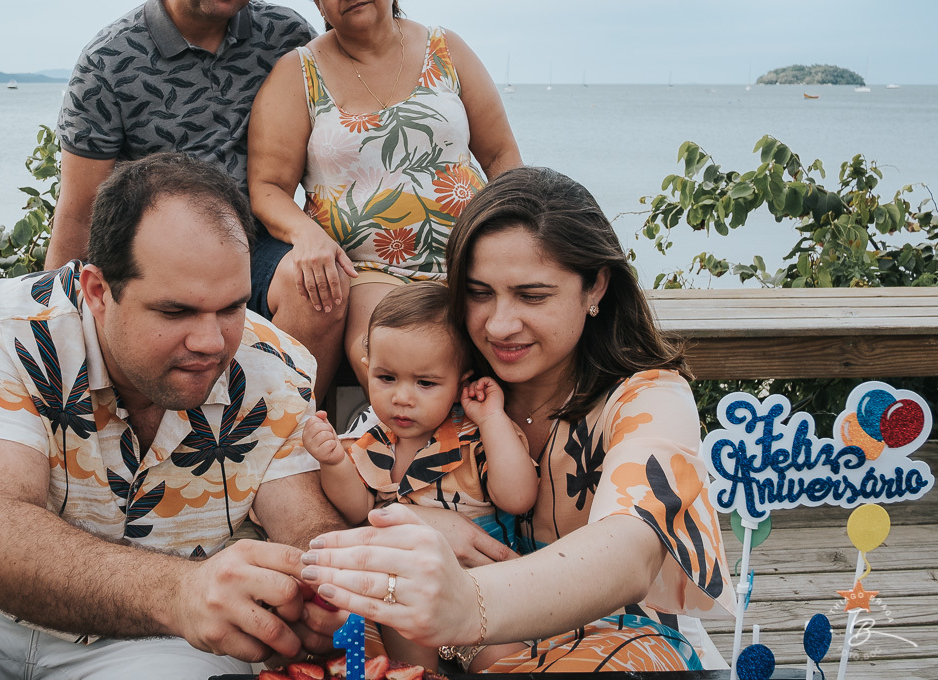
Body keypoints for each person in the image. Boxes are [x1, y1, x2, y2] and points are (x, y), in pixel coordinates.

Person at [0, 154, 347, 680]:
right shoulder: (7, 328)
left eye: (232, 307)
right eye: (176, 312)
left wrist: (321, 583)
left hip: (155, 642)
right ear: (98, 291)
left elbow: (304, 522)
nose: (212, 342)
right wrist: (183, 590)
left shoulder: (279, 369)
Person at [299, 167, 737, 673]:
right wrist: (421, 523)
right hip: (430, 629)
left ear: (595, 287)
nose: (500, 325)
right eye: (479, 293)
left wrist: (467, 600)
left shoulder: (649, 398)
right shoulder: (437, 382)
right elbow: (344, 477)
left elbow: (631, 552)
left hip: (607, 637)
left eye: (532, 296)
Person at [47, 0, 348, 400]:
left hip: (254, 245)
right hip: (156, 257)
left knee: (317, 288)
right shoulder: (109, 62)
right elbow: (79, 210)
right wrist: (55, 323)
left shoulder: (285, 38)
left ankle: (285, 444)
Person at [247, 0, 523, 393]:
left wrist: (513, 243)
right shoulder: (299, 73)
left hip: (471, 261)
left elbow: (501, 157)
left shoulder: (446, 47)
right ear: (318, 1)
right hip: (372, 272)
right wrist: (306, 236)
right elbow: (268, 187)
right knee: (392, 366)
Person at [302, 280, 536, 671]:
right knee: (405, 667)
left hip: (483, 601)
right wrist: (333, 462)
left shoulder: (476, 438)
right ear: (368, 368)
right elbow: (357, 505)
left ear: (462, 382)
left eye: (425, 383)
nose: (402, 397)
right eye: (386, 378)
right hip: (405, 601)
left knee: (508, 665)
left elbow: (518, 497)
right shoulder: (372, 443)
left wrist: (492, 417)